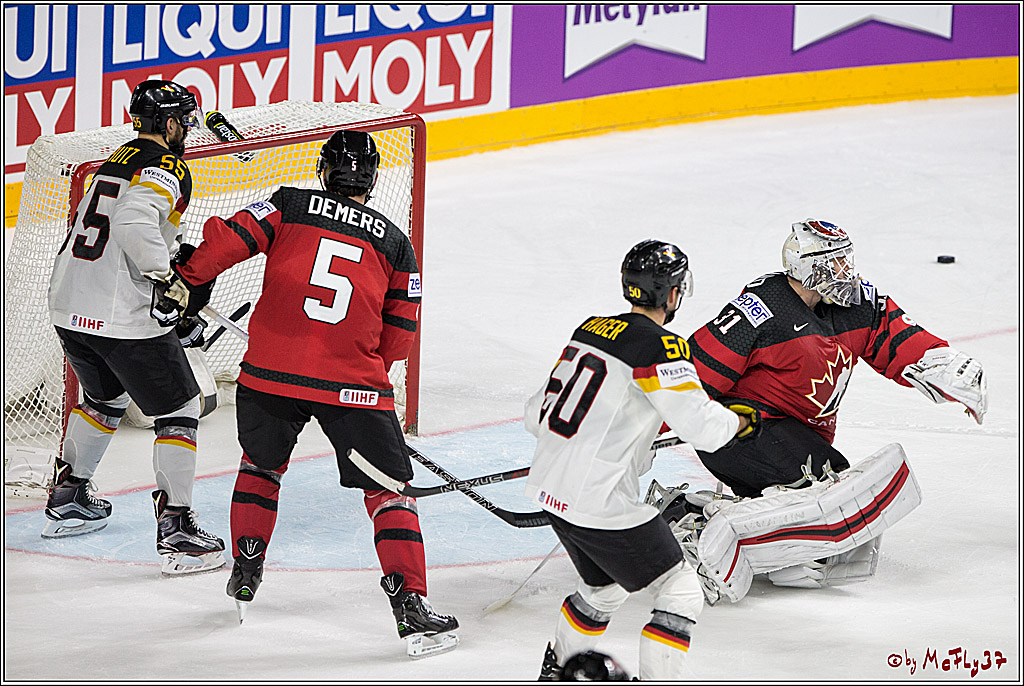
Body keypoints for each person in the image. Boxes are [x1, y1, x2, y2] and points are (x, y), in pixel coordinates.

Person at [174, 130, 459, 658]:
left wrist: (188, 278)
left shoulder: (287, 204)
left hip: (266, 375)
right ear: (371, 180)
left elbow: (227, 238)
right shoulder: (398, 244)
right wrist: (354, 370)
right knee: (388, 493)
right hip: (352, 386)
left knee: (260, 468)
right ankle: (410, 608)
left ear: (325, 173)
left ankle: (246, 565)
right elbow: (399, 339)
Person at [683, 218, 987, 591]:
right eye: (836, 262)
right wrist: (643, 425)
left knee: (836, 495)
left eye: (847, 261)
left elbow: (891, 332)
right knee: (825, 484)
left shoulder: (854, 305)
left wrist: (941, 361)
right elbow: (692, 375)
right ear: (808, 267)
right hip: (740, 432)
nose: (847, 272)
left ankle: (704, 517)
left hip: (797, 437)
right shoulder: (760, 311)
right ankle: (728, 535)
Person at [523, 239, 755, 680]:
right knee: (681, 589)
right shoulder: (662, 346)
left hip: (550, 489)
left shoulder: (589, 329)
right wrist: (738, 423)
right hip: (602, 500)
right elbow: (702, 427)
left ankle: (556, 672)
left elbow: (536, 415)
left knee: (602, 588)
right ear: (672, 294)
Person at [44, 79, 225, 576]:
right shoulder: (166, 164)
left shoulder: (119, 156)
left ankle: (70, 496)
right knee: (181, 406)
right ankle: (178, 529)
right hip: (120, 315)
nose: (187, 129)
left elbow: (123, 225)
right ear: (169, 124)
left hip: (70, 303)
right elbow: (131, 225)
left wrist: (166, 259)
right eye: (184, 121)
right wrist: (168, 278)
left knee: (104, 399)